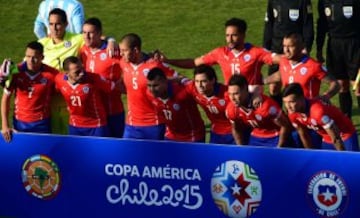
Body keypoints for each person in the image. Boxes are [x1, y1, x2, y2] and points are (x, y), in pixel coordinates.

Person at [157, 18, 273, 92]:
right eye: (227, 35)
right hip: (231, 99)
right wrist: (168, 61)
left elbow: (284, 61)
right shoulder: (220, 53)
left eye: (234, 35)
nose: (230, 39)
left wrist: (267, 80)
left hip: (251, 99)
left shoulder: (256, 52)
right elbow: (194, 63)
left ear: (243, 35)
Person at [119, 33, 178, 140]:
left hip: (153, 124)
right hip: (131, 124)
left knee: (153, 156)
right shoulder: (123, 63)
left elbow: (178, 78)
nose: (121, 53)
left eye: (124, 50)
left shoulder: (154, 65)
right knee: (125, 155)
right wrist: (110, 40)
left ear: (136, 50)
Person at [1, 41, 59, 142]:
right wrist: (5, 125)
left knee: (42, 155)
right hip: (19, 123)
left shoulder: (52, 74)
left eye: (35, 57)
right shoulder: (15, 72)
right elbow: (5, 98)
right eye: (28, 56)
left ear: (42, 57)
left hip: (42, 123)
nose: (31, 60)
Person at [79, 17, 124, 138]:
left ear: (99, 33)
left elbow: (130, 66)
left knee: (115, 147)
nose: (86, 36)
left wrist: (122, 84)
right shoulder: (83, 50)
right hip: (91, 113)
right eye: (84, 32)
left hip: (112, 111)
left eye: (91, 33)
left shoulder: (112, 51)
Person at [263, 0, 314, 105]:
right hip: (277, 48)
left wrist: (306, 47)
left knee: (294, 87)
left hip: (295, 48)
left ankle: (296, 115)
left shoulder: (303, 2)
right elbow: (269, 23)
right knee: (273, 87)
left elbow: (308, 25)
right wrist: (266, 48)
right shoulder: (273, 1)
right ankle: (277, 116)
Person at [282, 83, 359, 151]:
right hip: (326, 138)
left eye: (291, 102)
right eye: (285, 102)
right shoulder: (292, 113)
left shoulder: (317, 111)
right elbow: (303, 133)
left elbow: (336, 137)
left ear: (302, 98)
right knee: (326, 166)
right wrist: (310, 153)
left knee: (351, 164)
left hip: (344, 135)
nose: (288, 106)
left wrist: (343, 157)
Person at [316, 0, 360, 118]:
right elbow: (322, 25)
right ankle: (346, 120)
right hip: (334, 46)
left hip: (354, 44)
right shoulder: (324, 1)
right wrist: (319, 48)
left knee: (358, 85)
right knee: (341, 84)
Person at [264, 32, 339, 101]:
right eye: (284, 46)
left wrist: (326, 96)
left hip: (309, 111)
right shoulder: (284, 61)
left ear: (301, 47)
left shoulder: (313, 66)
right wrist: (262, 81)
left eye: (290, 46)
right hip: (292, 112)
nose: (286, 50)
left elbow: (335, 84)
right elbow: (282, 74)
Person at [54, 56, 116, 137]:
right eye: (77, 72)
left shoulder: (94, 78)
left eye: (83, 69)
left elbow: (111, 87)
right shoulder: (59, 80)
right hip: (75, 125)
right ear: (66, 73)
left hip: (96, 125)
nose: (82, 73)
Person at [226, 74, 292, 147]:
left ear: (246, 89)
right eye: (230, 94)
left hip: (274, 136)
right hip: (256, 136)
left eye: (236, 94)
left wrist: (279, 148)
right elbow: (236, 129)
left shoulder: (265, 106)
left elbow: (285, 125)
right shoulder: (231, 109)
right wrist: (240, 148)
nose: (232, 98)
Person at [146, 68, 205, 142]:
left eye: (155, 85)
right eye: (149, 85)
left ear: (165, 82)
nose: (152, 89)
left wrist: (181, 79)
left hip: (192, 136)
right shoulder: (150, 95)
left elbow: (195, 86)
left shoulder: (183, 93)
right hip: (171, 135)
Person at [184, 64, 234, 144]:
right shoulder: (193, 88)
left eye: (203, 81)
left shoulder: (227, 94)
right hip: (216, 132)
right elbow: (180, 80)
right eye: (197, 81)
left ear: (213, 80)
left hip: (233, 132)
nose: (200, 85)